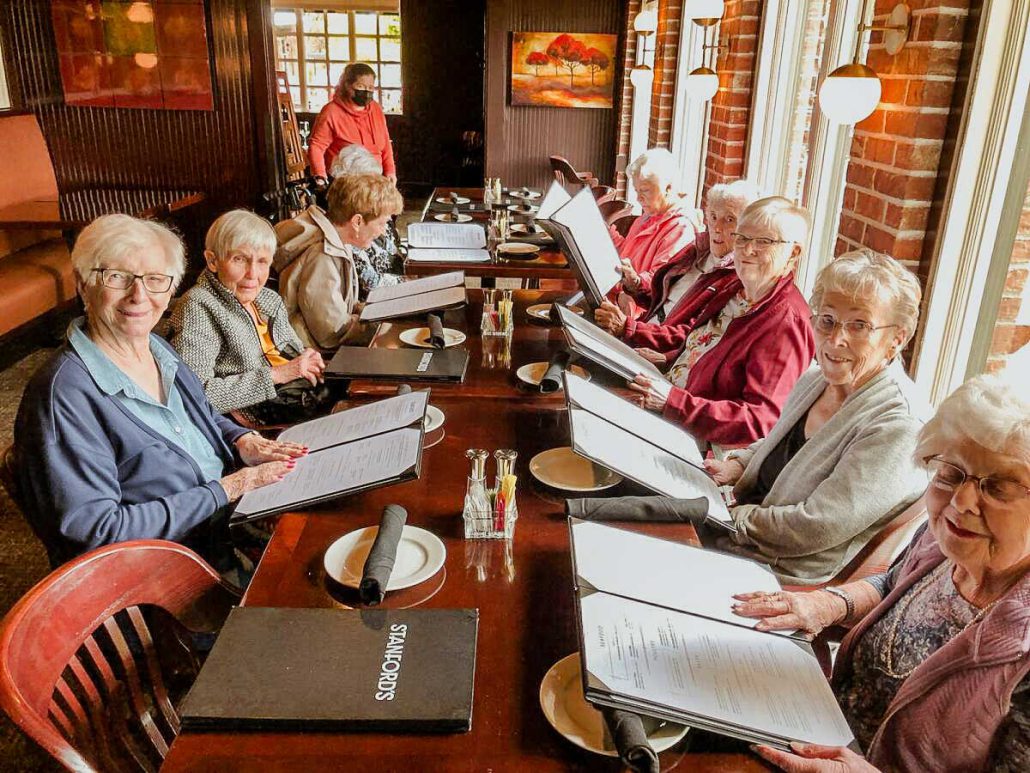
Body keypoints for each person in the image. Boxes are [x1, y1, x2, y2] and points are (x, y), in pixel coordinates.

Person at [733, 374, 1030, 772]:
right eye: (951, 474)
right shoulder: (944, 540)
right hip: (813, 724)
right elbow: (892, 584)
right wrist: (827, 603)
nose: (961, 502)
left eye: (996, 488)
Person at [13, 215, 303, 574]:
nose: (139, 296)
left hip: (228, 527)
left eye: (154, 280)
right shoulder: (64, 396)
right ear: (84, 285)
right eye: (117, 277)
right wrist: (227, 489)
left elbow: (202, 416)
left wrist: (243, 440)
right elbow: (98, 532)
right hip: (173, 572)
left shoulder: (156, 349)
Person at [703, 250, 930, 583]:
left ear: (897, 338)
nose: (836, 340)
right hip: (740, 533)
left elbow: (819, 524)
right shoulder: (816, 378)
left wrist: (731, 516)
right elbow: (787, 447)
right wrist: (738, 465)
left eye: (860, 326)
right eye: (828, 320)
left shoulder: (899, 423)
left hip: (777, 571)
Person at [627, 197, 816, 450]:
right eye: (743, 238)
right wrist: (669, 358)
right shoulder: (737, 286)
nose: (748, 250)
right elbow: (710, 346)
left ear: (794, 252)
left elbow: (759, 422)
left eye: (764, 241)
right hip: (667, 397)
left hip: (699, 444)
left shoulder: (785, 323)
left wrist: (672, 402)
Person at [170, 210, 332, 425]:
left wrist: (308, 359)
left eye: (263, 261)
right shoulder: (198, 306)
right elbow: (195, 395)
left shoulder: (268, 298)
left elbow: (292, 353)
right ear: (212, 261)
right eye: (240, 259)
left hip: (302, 397)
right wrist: (277, 374)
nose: (253, 274)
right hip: (262, 422)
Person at [601, 178, 762, 327]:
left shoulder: (734, 277)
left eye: (729, 220)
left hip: (655, 348)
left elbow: (690, 335)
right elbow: (659, 298)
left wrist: (628, 328)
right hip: (644, 327)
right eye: (713, 217)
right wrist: (635, 284)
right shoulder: (697, 250)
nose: (717, 228)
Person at [274, 173, 403, 349]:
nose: (382, 232)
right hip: (318, 358)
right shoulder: (322, 255)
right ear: (357, 221)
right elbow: (332, 332)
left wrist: (383, 311)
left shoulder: (338, 240)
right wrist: (383, 325)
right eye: (381, 223)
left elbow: (343, 306)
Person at [610, 148, 699, 293]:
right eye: (636, 191)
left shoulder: (680, 228)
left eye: (644, 190)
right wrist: (604, 234)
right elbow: (626, 255)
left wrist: (636, 282)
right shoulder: (649, 215)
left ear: (668, 188)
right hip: (618, 294)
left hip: (635, 309)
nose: (638, 198)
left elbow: (659, 283)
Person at [329, 144, 404, 295]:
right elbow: (370, 285)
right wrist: (415, 281)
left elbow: (394, 249)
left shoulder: (375, 214)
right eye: (371, 182)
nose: (378, 186)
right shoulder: (350, 228)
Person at [308, 62, 396, 188]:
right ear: (347, 85)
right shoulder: (331, 111)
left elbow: (386, 144)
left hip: (375, 179)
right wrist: (320, 176)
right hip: (345, 183)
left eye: (370, 88)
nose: (366, 92)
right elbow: (316, 146)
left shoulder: (376, 108)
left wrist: (390, 171)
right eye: (360, 86)